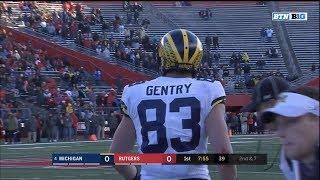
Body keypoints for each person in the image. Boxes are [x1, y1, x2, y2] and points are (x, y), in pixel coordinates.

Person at [110, 29, 237, 180]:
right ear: (197, 59)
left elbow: (117, 155)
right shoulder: (208, 89)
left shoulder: (135, 92)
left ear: (162, 56)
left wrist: (136, 176)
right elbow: (224, 155)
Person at [260, 86, 319, 180]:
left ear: (316, 118)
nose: (280, 133)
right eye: (279, 124)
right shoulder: (291, 159)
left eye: (291, 121)